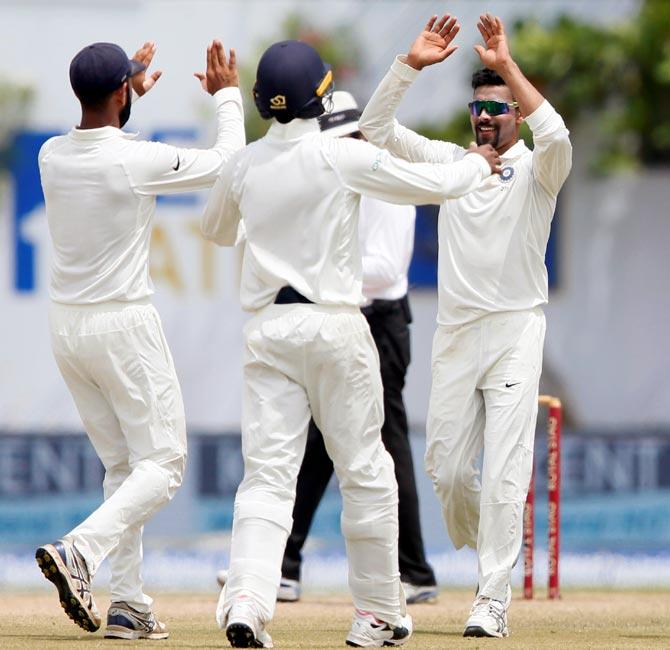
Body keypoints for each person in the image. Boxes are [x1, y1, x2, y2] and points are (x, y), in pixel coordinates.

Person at [201, 40, 500, 648]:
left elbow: (215, 229)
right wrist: (478, 164)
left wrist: (228, 113)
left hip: (269, 333)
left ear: (264, 102)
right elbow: (433, 184)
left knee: (265, 478)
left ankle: (250, 600)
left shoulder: (246, 165)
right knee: (366, 472)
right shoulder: (339, 157)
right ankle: (376, 613)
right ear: (321, 96)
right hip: (336, 327)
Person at [359, 13, 572, 638]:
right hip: (455, 334)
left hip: (514, 331)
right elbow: (374, 129)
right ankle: (495, 552)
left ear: (516, 115)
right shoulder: (452, 163)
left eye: (497, 108)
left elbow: (557, 134)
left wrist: (508, 68)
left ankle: (492, 596)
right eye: (477, 107)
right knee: (447, 473)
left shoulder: (539, 171)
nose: (485, 116)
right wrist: (409, 66)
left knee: (507, 469)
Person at [35, 39, 244, 640]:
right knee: (166, 463)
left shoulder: (52, 155)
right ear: (121, 92)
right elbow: (227, 161)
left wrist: (126, 103)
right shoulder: (134, 159)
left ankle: (127, 603)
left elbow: (106, 147)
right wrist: (227, 95)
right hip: (121, 325)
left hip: (68, 328)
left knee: (124, 466)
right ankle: (80, 551)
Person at [276, 90, 438, 605]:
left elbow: (386, 270)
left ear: (363, 135)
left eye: (348, 136)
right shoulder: (337, 181)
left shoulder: (383, 182)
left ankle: (414, 572)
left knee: (387, 444)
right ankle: (284, 564)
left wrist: (318, 272)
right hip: (346, 320)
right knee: (319, 443)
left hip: (381, 324)